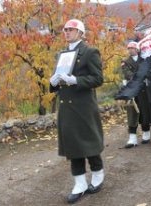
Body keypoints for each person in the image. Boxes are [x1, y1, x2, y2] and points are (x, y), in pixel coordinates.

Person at [49, 19, 104, 204]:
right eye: (65, 29)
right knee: (73, 147)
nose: (66, 32)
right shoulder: (62, 54)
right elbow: (58, 80)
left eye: (71, 29)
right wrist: (52, 82)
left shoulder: (90, 52)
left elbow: (97, 79)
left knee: (89, 142)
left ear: (81, 33)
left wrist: (76, 81)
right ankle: (79, 184)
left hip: (83, 106)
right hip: (67, 107)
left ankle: (97, 174)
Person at [121, 41, 151, 148]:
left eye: (132, 48)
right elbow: (128, 74)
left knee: (144, 111)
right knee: (131, 113)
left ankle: (146, 134)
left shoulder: (144, 60)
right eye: (129, 48)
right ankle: (132, 138)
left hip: (143, 91)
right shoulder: (125, 62)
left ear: (137, 49)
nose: (130, 50)